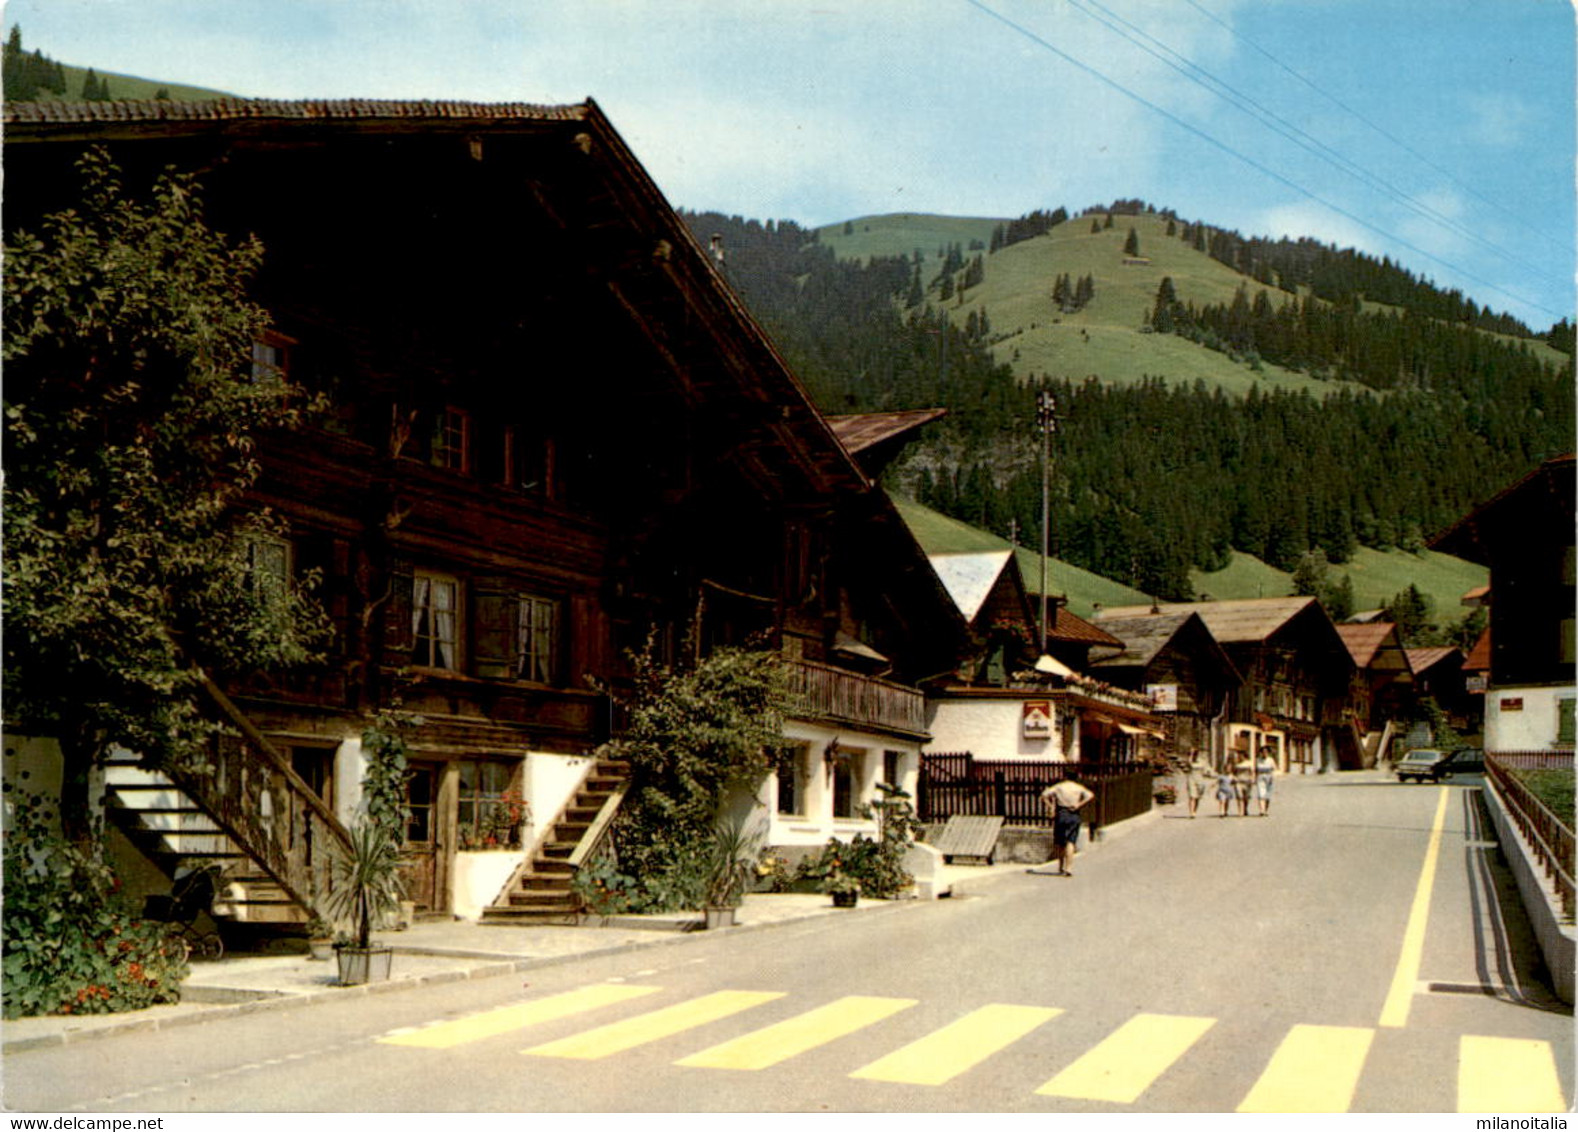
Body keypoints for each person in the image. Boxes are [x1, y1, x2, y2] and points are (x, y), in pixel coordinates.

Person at [1041, 777, 1094, 876]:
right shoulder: (1077, 787)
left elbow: (1044, 794)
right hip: (1074, 814)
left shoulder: (1059, 787)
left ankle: (1061, 866)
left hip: (1061, 814)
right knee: (1071, 842)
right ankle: (1069, 867)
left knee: (1060, 842)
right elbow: (1090, 795)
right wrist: (1079, 804)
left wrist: (1050, 806)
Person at [1184, 752, 1212, 818]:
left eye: (1197, 755)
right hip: (1191, 779)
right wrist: (1190, 755)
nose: (1196, 756)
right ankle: (1191, 813)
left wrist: (1207, 773)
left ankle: (1194, 811)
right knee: (1192, 796)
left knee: (1197, 797)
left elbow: (1207, 770)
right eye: (1194, 755)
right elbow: (1188, 764)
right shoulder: (1191, 761)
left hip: (1200, 780)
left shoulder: (1202, 762)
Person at [1254, 747, 1278, 816]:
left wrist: (1273, 776)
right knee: (1261, 794)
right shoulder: (1258, 760)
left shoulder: (1270, 760)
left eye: (1266, 752)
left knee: (1267, 795)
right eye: (1263, 752)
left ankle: (1265, 810)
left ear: (1268, 753)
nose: (1264, 754)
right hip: (1260, 777)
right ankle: (1261, 810)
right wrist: (1254, 778)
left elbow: (1274, 769)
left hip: (1269, 778)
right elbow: (1255, 770)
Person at [1233, 753, 1255, 817]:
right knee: (1239, 797)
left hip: (1247, 781)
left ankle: (1245, 808)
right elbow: (1234, 772)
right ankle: (1240, 811)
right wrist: (1234, 778)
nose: (1240, 757)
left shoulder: (1249, 763)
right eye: (1239, 756)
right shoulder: (1236, 764)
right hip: (1238, 781)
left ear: (1245, 756)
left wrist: (1252, 778)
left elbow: (1252, 772)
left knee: (1246, 797)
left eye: (1241, 756)